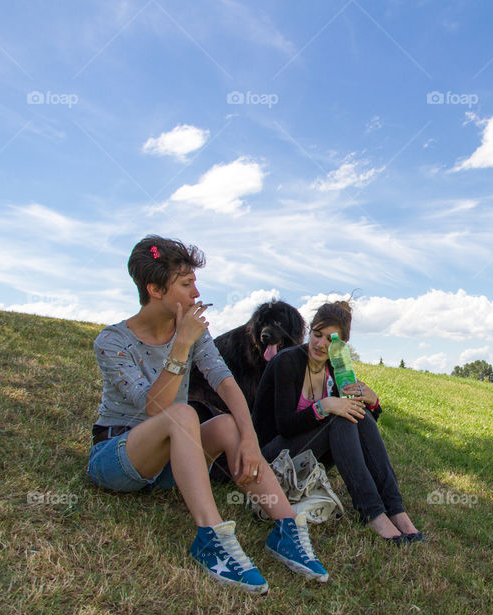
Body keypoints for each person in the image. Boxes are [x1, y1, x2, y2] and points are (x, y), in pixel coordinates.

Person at [88, 235, 329, 593]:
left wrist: (248, 441)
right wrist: (181, 345)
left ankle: (287, 527)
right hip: (120, 457)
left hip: (172, 464)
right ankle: (210, 537)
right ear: (154, 289)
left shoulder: (195, 333)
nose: (196, 293)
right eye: (186, 284)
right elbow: (154, 407)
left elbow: (226, 383)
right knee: (183, 414)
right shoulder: (112, 341)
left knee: (228, 423)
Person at [252, 301, 424, 544]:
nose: (321, 344)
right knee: (338, 416)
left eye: (330, 339)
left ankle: (396, 510)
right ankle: (373, 513)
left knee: (353, 412)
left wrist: (373, 403)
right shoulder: (287, 362)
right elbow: (284, 426)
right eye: (316, 334)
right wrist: (326, 406)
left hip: (308, 456)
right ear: (310, 332)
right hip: (271, 459)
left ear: (342, 344)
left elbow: (360, 425)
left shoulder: (336, 368)